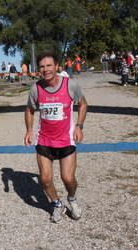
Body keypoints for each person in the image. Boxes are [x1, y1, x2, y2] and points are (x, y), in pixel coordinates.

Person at [24, 50, 88, 223]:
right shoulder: (36, 88)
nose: (46, 69)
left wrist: (79, 126)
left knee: (67, 178)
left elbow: (82, 104)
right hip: (44, 140)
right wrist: (29, 130)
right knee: (45, 179)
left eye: (49, 65)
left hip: (66, 139)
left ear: (57, 66)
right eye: (42, 66)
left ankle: (72, 198)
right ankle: (56, 204)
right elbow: (29, 110)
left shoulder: (70, 85)